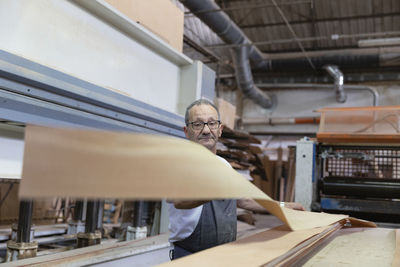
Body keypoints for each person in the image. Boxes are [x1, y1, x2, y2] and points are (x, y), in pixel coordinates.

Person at [168, 99, 304, 260]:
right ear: (186, 131)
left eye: (211, 123)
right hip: (189, 257)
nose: (206, 130)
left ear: (220, 130)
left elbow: (245, 201)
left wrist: (283, 206)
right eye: (197, 124)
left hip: (223, 256)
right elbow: (179, 200)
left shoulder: (224, 166)